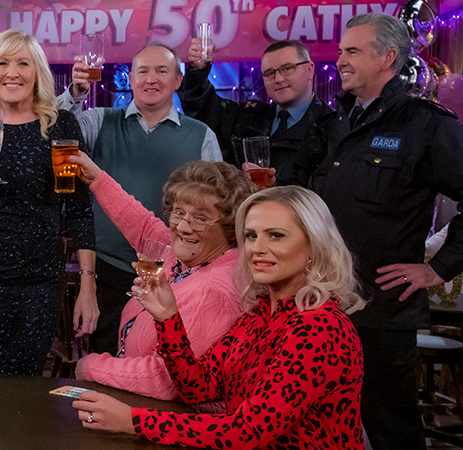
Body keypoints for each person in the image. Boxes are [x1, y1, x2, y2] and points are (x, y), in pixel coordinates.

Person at [72, 186, 365, 448]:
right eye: (251, 236)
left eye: (275, 235)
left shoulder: (318, 329)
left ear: (313, 246)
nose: (257, 248)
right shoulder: (260, 315)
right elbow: (197, 386)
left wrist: (133, 421)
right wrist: (168, 318)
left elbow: (247, 433)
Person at [310, 13, 463, 449]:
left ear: (388, 57)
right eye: (340, 51)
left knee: (389, 427)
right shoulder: (338, 120)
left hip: (380, 311)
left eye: (352, 51)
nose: (340, 60)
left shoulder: (427, 124)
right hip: (323, 302)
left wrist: (438, 269)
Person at [0, 29, 98, 375]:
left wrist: (88, 285)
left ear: (37, 73)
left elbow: (79, 210)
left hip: (38, 282)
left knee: (24, 381)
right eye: (3, 63)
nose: (12, 72)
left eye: (22, 63)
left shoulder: (60, 126)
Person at [59, 42, 222, 355]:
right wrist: (75, 93)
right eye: (143, 71)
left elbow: (217, 209)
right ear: (129, 79)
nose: (151, 79)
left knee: (168, 363)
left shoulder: (202, 135)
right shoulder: (101, 120)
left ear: (178, 80)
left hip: (177, 275)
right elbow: (57, 132)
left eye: (162, 71)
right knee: (107, 361)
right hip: (107, 271)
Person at [69, 157, 252, 400]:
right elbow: (143, 226)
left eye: (201, 218)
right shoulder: (184, 254)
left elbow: (162, 380)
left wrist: (90, 366)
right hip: (136, 402)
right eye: (178, 213)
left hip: (166, 420)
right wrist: (96, 179)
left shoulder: (215, 290)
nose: (184, 227)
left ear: (230, 226)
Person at [178, 40, 331, 185]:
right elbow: (205, 109)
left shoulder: (331, 125)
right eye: (269, 73)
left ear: (310, 69)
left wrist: (276, 186)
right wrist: (198, 72)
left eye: (287, 69)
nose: (278, 79)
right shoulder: (250, 117)